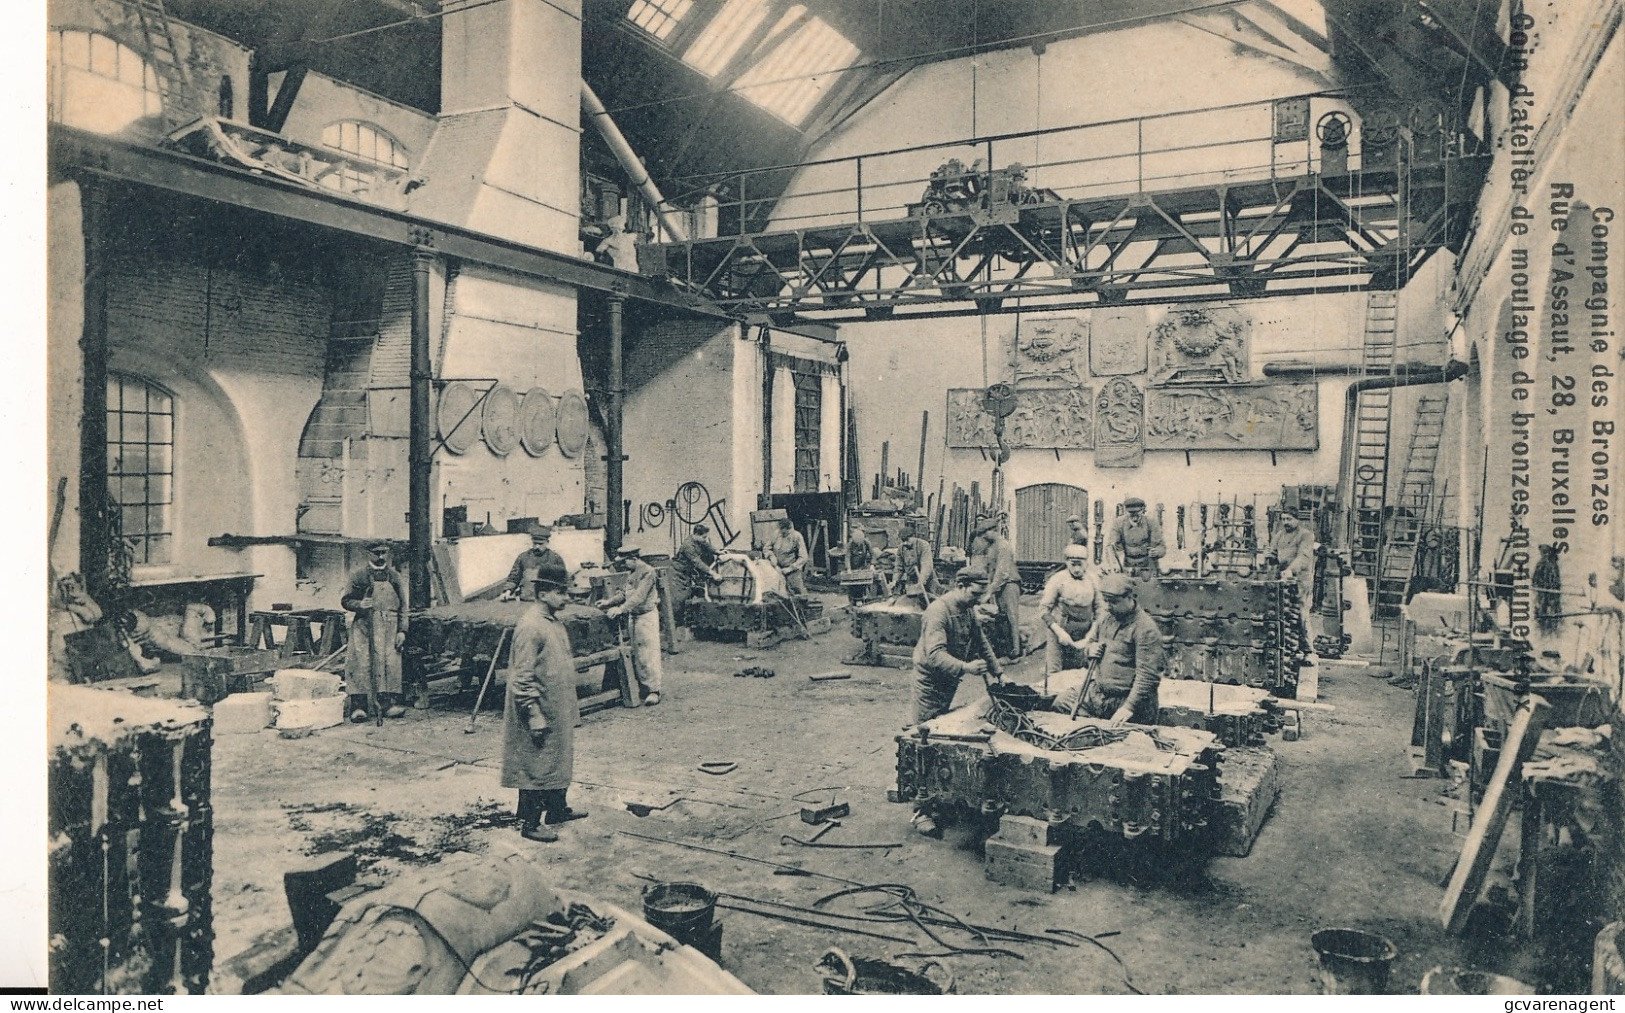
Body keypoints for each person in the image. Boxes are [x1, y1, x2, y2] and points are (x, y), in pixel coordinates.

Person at [502, 560, 587, 843]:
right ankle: (530, 823)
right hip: (539, 710)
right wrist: (533, 713)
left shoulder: (552, 621)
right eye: (561, 593)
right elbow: (521, 677)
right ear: (544, 593)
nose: (567, 598)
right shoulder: (531, 626)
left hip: (556, 707)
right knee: (536, 765)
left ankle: (556, 810)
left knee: (557, 760)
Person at [909, 568, 992, 838]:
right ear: (960, 585)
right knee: (925, 742)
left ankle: (941, 799)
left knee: (944, 740)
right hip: (930, 683)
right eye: (976, 594)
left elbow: (981, 642)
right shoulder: (938, 611)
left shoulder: (967, 609)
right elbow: (934, 655)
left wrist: (999, 673)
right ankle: (921, 811)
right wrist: (967, 668)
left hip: (949, 681)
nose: (979, 600)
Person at [1061, 573, 1166, 724]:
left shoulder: (1145, 629)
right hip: (1098, 694)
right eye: (1106, 601)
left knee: (1122, 737)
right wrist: (1090, 650)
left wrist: (1128, 707)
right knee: (1062, 703)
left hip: (1128, 699)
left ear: (1129, 597)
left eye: (1114, 602)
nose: (1109, 607)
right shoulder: (1105, 618)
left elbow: (1148, 676)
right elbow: (1089, 644)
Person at [341, 540, 409, 722]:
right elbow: (345, 600)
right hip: (364, 627)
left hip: (390, 627)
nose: (380, 557)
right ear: (368, 554)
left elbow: (403, 606)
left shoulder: (394, 576)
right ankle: (359, 706)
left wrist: (402, 630)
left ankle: (387, 704)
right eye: (376, 553)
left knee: (389, 663)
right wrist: (360, 604)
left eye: (384, 553)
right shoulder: (358, 576)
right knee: (361, 662)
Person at [598, 546, 664, 705]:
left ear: (634, 558)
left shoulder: (648, 572)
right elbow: (624, 594)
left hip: (646, 616)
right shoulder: (630, 573)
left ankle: (654, 690)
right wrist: (609, 602)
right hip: (633, 616)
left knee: (648, 653)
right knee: (636, 652)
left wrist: (620, 609)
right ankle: (643, 686)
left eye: (625, 561)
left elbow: (639, 597)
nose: (623, 565)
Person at [1039, 544, 1101, 679]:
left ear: (1087, 563)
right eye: (1073, 564)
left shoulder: (1094, 579)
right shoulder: (1057, 579)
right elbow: (1044, 609)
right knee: (1054, 673)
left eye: (1080, 564)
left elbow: (1100, 610)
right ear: (1067, 562)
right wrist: (1059, 631)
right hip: (1061, 629)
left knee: (1082, 672)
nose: (1077, 569)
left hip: (1086, 630)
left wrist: (1090, 635)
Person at [971, 517, 1021, 659]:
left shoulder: (1003, 546)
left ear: (993, 531)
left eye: (985, 533)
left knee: (1012, 617)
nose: (983, 537)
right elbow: (989, 569)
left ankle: (1016, 651)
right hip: (1000, 586)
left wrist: (989, 591)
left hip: (1009, 584)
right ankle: (1006, 649)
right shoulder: (992, 547)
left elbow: (1002, 572)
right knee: (1002, 617)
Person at [496, 524, 567, 602]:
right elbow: (514, 577)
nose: (537, 547)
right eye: (535, 543)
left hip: (547, 602)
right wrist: (507, 591)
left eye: (540, 544)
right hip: (525, 600)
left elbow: (563, 580)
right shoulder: (523, 557)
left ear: (547, 542)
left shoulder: (555, 558)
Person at [1108, 497, 1166, 577]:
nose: (1134, 517)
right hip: (1127, 565)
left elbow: (1161, 546)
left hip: (1148, 565)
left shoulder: (1151, 522)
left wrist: (1157, 552)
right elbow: (1111, 546)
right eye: (1131, 513)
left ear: (1142, 510)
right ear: (1126, 512)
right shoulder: (1119, 523)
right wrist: (1114, 564)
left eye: (1137, 513)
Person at [669, 523, 722, 606]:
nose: (705, 539)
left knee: (686, 594)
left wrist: (717, 551)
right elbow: (697, 562)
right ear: (697, 534)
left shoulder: (697, 539)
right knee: (678, 598)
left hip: (686, 572)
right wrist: (713, 573)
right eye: (704, 537)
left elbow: (706, 544)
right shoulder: (688, 546)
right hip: (677, 573)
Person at [890, 519, 935, 602]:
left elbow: (926, 565)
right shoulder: (901, 548)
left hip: (927, 579)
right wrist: (895, 580)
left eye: (907, 540)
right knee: (912, 600)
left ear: (913, 536)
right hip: (911, 578)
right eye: (903, 541)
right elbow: (898, 567)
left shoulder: (924, 545)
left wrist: (921, 582)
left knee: (931, 599)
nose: (905, 543)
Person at [769, 518, 810, 596]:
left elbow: (804, 557)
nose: (783, 533)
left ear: (790, 529)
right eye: (782, 531)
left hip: (792, 569)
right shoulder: (776, 534)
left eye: (786, 532)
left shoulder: (797, 536)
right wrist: (771, 556)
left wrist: (790, 568)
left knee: (798, 593)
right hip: (776, 567)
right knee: (774, 592)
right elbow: (767, 548)